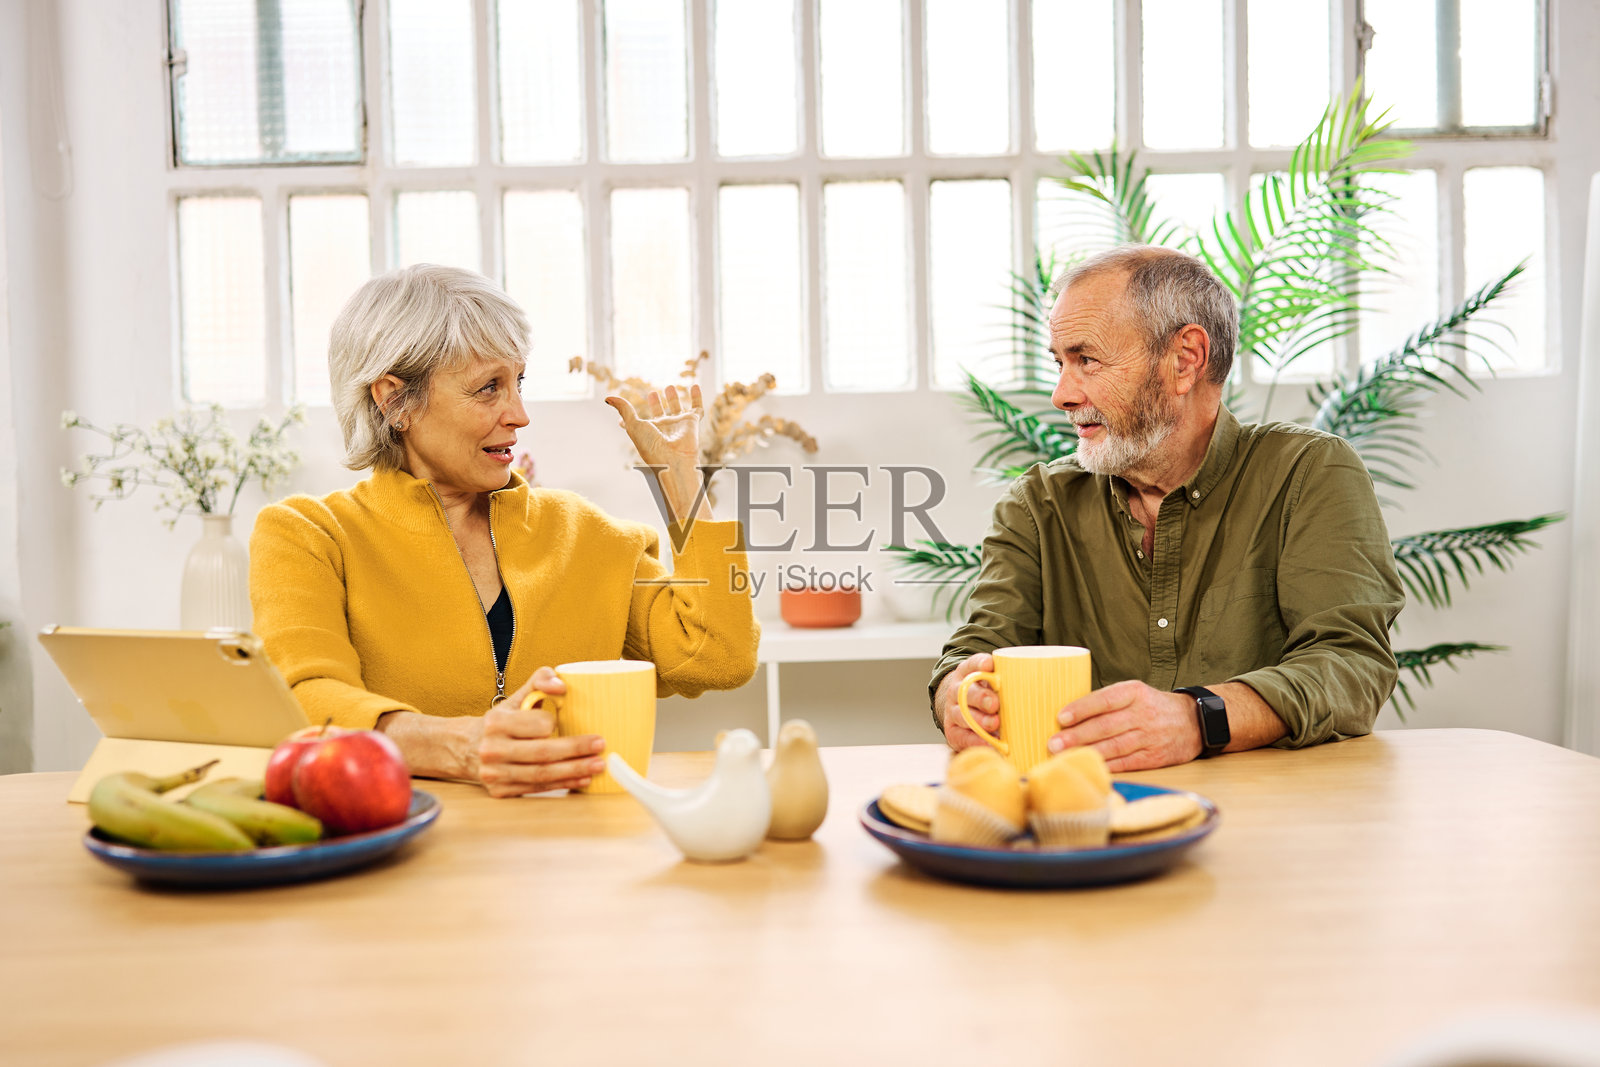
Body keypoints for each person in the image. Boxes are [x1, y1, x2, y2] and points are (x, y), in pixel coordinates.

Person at [250, 265, 759, 797]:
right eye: (488, 388)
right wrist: (463, 746)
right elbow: (303, 699)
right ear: (394, 400)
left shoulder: (585, 533)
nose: (519, 414)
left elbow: (718, 657)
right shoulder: (308, 536)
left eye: (518, 382)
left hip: (570, 850)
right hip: (404, 848)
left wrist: (684, 485)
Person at [930, 245, 1404, 770]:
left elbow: (1351, 664)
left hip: (1269, 818)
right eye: (1059, 362)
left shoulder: (1309, 473)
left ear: (1185, 360)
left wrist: (1196, 718)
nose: (1061, 394)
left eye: (1086, 359)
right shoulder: (1038, 504)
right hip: (1085, 817)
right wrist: (957, 695)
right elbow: (975, 651)